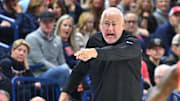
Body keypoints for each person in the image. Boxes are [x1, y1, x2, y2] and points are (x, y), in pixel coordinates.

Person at [59, 7, 142, 101]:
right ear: (100, 25)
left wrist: (96, 52)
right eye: (106, 24)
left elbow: (118, 52)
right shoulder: (94, 41)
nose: (110, 29)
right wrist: (66, 91)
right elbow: (80, 69)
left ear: (122, 26)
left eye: (114, 24)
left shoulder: (132, 43)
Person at [25, 10, 70, 88]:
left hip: (58, 72)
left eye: (50, 22)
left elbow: (62, 61)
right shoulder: (32, 38)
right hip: (39, 75)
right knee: (64, 70)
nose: (48, 25)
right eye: (45, 22)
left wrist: (69, 71)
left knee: (77, 74)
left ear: (54, 23)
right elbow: (40, 61)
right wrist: (61, 70)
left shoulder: (57, 39)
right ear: (39, 22)